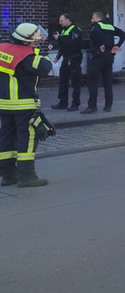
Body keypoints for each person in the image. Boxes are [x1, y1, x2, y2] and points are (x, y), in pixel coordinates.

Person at [0, 23, 53, 187]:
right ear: (26, 41)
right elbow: (45, 67)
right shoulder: (26, 56)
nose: (36, 43)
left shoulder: (2, 49)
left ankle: (8, 175)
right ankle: (27, 176)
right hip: (23, 106)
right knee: (28, 138)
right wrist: (43, 54)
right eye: (35, 41)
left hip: (3, 105)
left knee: (6, 138)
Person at [82, 12, 125, 114]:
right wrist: (118, 45)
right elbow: (123, 34)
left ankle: (92, 106)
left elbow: (96, 33)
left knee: (92, 80)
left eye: (93, 18)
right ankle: (108, 106)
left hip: (98, 56)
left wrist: (101, 44)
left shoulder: (96, 25)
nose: (91, 20)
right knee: (108, 82)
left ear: (98, 18)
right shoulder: (110, 26)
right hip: (109, 56)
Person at [50, 13, 84, 112]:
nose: (60, 23)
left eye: (61, 21)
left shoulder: (75, 30)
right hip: (66, 59)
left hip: (74, 59)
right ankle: (63, 102)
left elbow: (74, 43)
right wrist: (57, 57)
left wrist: (59, 38)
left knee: (75, 82)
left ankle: (75, 103)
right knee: (63, 81)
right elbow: (63, 46)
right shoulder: (64, 30)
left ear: (67, 20)